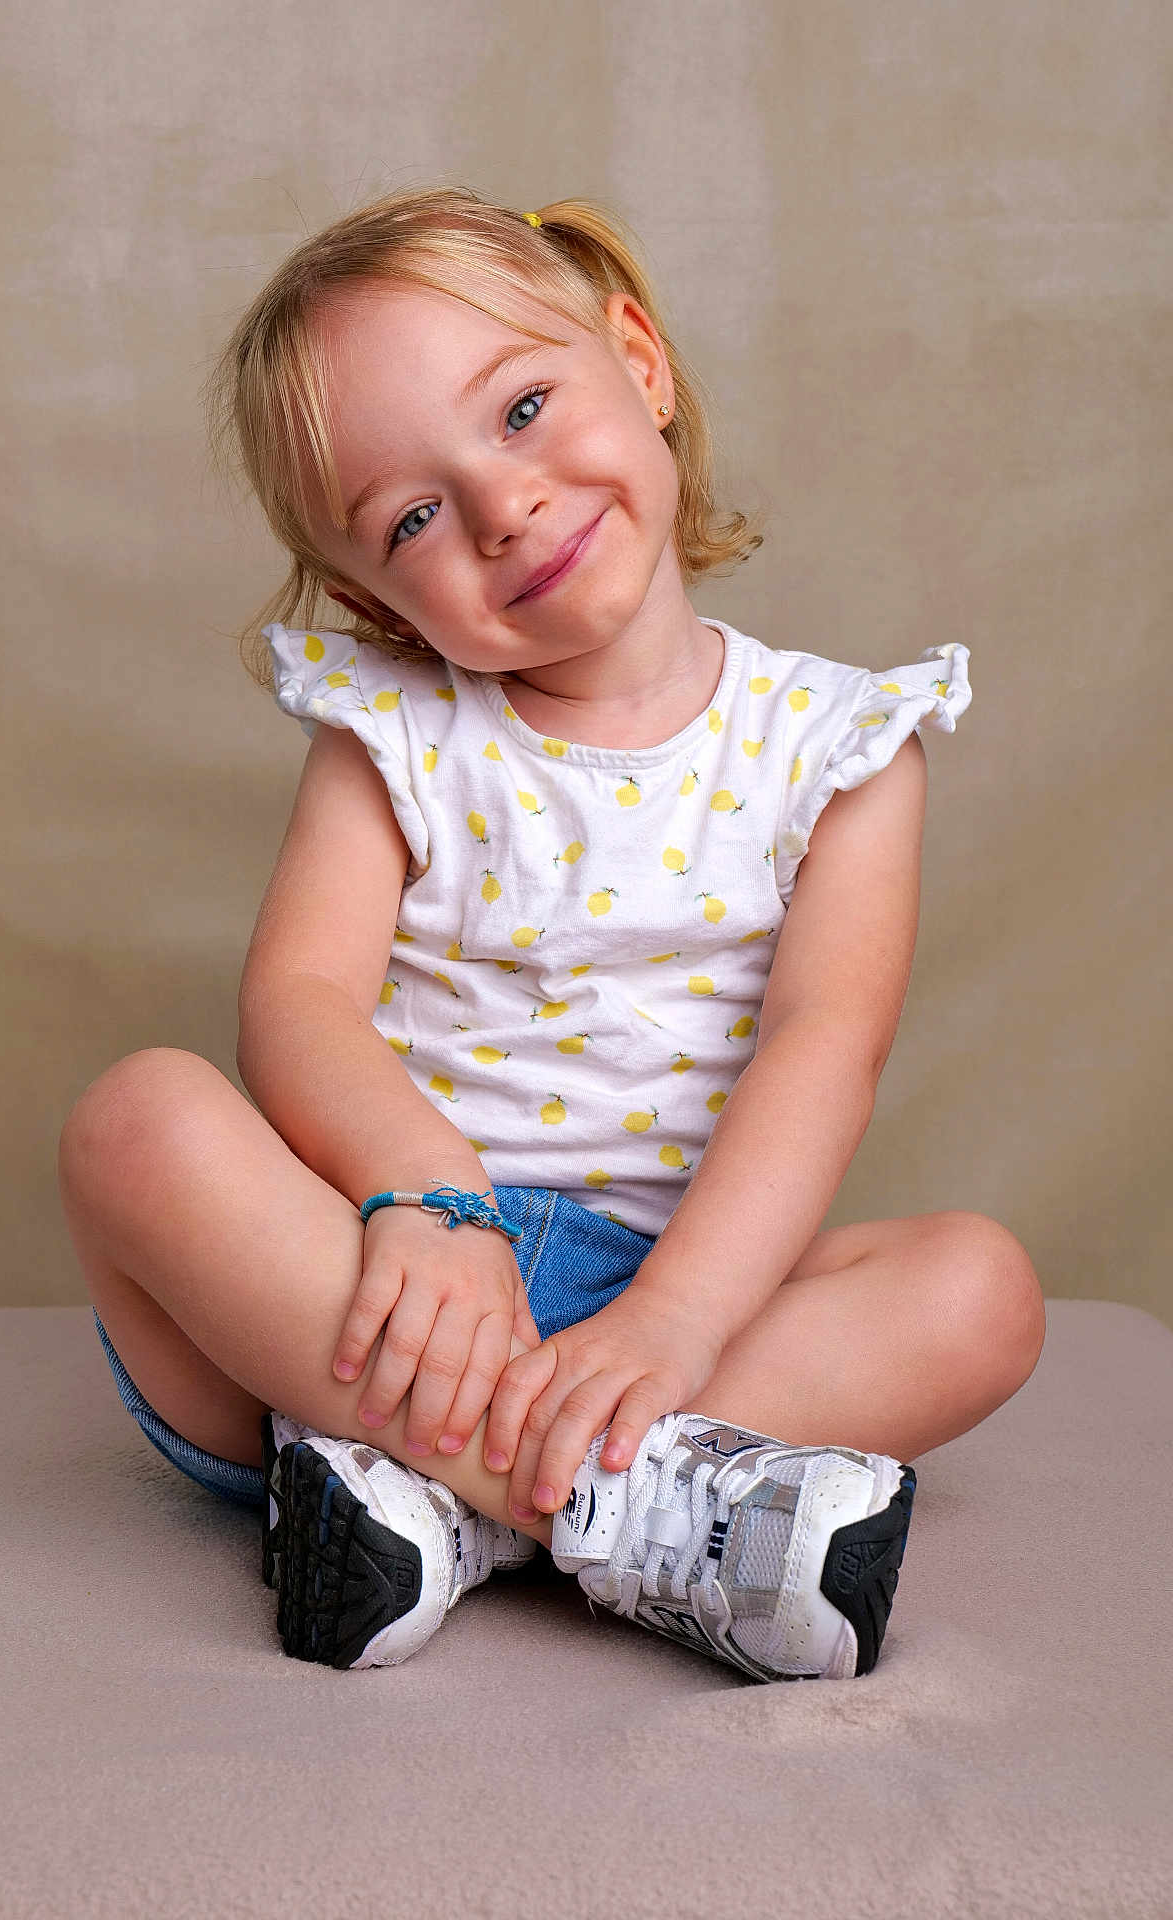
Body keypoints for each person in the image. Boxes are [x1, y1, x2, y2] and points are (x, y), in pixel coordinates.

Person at [59, 185, 1045, 1685]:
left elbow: (824, 1045)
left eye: (522, 407)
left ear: (636, 360)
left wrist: (669, 1322)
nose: (501, 503)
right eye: (412, 516)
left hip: (672, 1297)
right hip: (373, 1295)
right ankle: (635, 1506)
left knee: (983, 1291)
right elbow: (301, 998)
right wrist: (430, 1199)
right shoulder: (393, 733)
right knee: (137, 1120)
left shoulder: (840, 744)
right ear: (369, 598)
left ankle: (454, 1508)